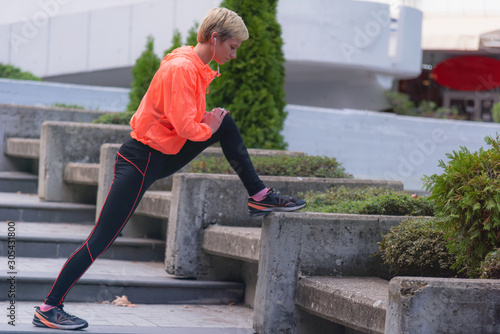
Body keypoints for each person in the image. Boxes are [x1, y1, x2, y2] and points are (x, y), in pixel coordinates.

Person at [32, 7, 306, 330]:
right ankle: (49, 307)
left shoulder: (196, 67)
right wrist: (210, 125)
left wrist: (214, 124)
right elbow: (186, 126)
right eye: (232, 47)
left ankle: (259, 194)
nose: (234, 56)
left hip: (161, 155)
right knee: (101, 238)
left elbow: (188, 126)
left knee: (224, 124)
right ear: (215, 39)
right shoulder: (182, 69)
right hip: (139, 161)